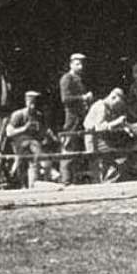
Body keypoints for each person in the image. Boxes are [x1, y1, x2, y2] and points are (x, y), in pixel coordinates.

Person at [6, 90, 56, 187]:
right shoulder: (18, 115)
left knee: (35, 155)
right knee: (33, 146)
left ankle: (37, 180)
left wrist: (48, 134)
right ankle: (46, 166)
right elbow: (9, 132)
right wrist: (24, 129)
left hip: (34, 145)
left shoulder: (38, 115)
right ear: (26, 102)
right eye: (31, 103)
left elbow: (42, 131)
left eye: (35, 103)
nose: (33, 106)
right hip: (20, 144)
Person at [84, 88, 134, 183]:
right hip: (95, 140)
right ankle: (106, 183)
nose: (116, 108)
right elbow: (99, 127)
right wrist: (117, 122)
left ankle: (107, 181)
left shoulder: (108, 108)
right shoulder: (101, 107)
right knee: (118, 159)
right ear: (113, 97)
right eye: (116, 104)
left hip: (102, 140)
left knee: (119, 159)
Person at [58, 52, 92, 184]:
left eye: (82, 64)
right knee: (68, 148)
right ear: (71, 65)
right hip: (72, 118)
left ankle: (74, 179)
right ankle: (66, 180)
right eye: (77, 64)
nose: (81, 67)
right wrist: (83, 98)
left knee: (77, 149)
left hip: (80, 118)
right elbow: (65, 99)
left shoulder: (78, 80)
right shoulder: (67, 78)